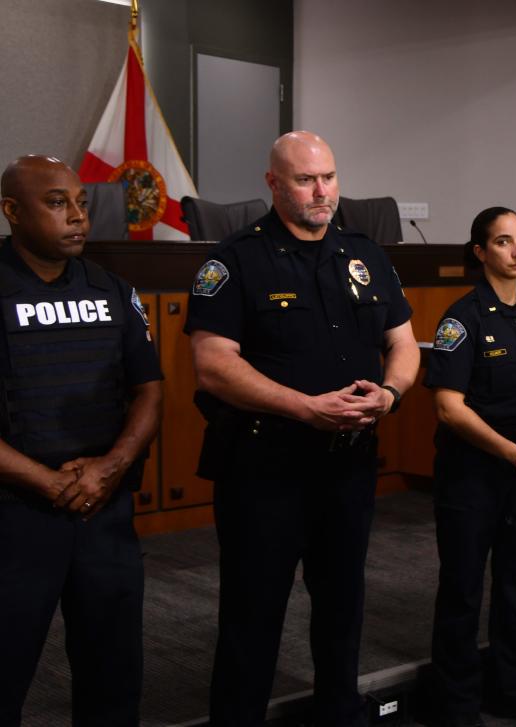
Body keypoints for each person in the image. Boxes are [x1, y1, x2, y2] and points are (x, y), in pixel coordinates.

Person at [185, 131, 420, 727]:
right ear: (273, 183)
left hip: (347, 463)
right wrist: (303, 407)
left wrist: (390, 394)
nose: (322, 192)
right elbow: (214, 365)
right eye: (305, 179)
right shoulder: (236, 260)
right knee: (253, 612)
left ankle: (339, 713)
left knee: (342, 605)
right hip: (266, 467)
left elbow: (403, 343)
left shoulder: (366, 254)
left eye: (330, 178)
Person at [0, 155, 163, 726]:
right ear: (11, 212)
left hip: (104, 510)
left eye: (81, 203)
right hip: (15, 516)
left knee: (113, 677)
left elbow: (149, 390)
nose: (76, 217)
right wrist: (48, 481)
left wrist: (110, 468)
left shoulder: (113, 290)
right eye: (56, 203)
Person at [425, 208, 516, 727]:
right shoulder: (462, 318)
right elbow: (449, 407)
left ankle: (510, 687)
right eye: (503, 242)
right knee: (463, 590)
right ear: (480, 252)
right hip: (473, 473)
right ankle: (455, 702)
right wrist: (508, 450)